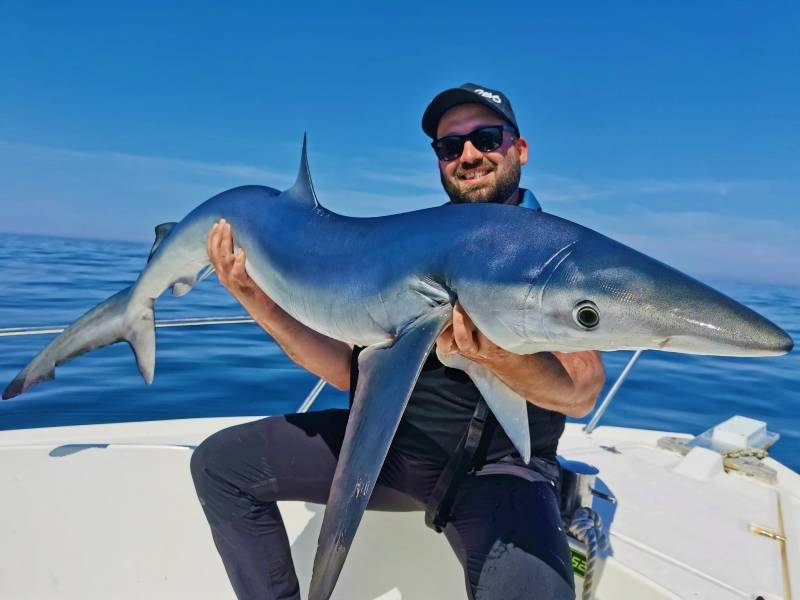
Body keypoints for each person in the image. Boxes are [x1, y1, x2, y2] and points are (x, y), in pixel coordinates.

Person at [191, 83, 605, 600]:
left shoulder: (555, 254)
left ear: (519, 149)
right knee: (219, 465)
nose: (469, 156)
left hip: (500, 476)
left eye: (486, 138)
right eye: (450, 147)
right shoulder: (410, 248)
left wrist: (498, 356)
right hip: (397, 453)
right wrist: (255, 297)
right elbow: (346, 369)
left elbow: (581, 387)